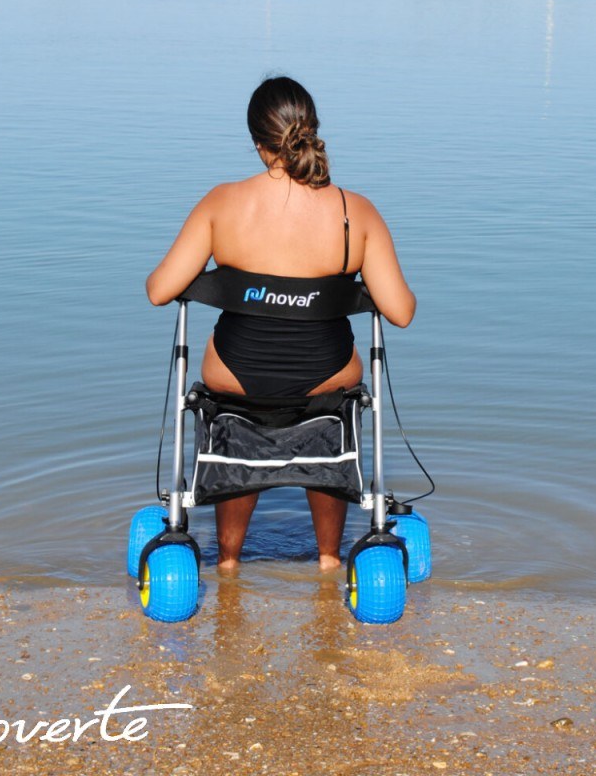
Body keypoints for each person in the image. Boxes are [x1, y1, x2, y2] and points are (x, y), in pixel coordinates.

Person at [146, 76, 415, 573]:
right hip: (325, 380)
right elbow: (400, 312)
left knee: (233, 402)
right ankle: (330, 560)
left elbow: (159, 290)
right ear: (311, 131)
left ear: (256, 143)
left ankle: (226, 562)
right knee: (334, 401)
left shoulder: (221, 203)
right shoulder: (355, 212)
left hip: (237, 381)